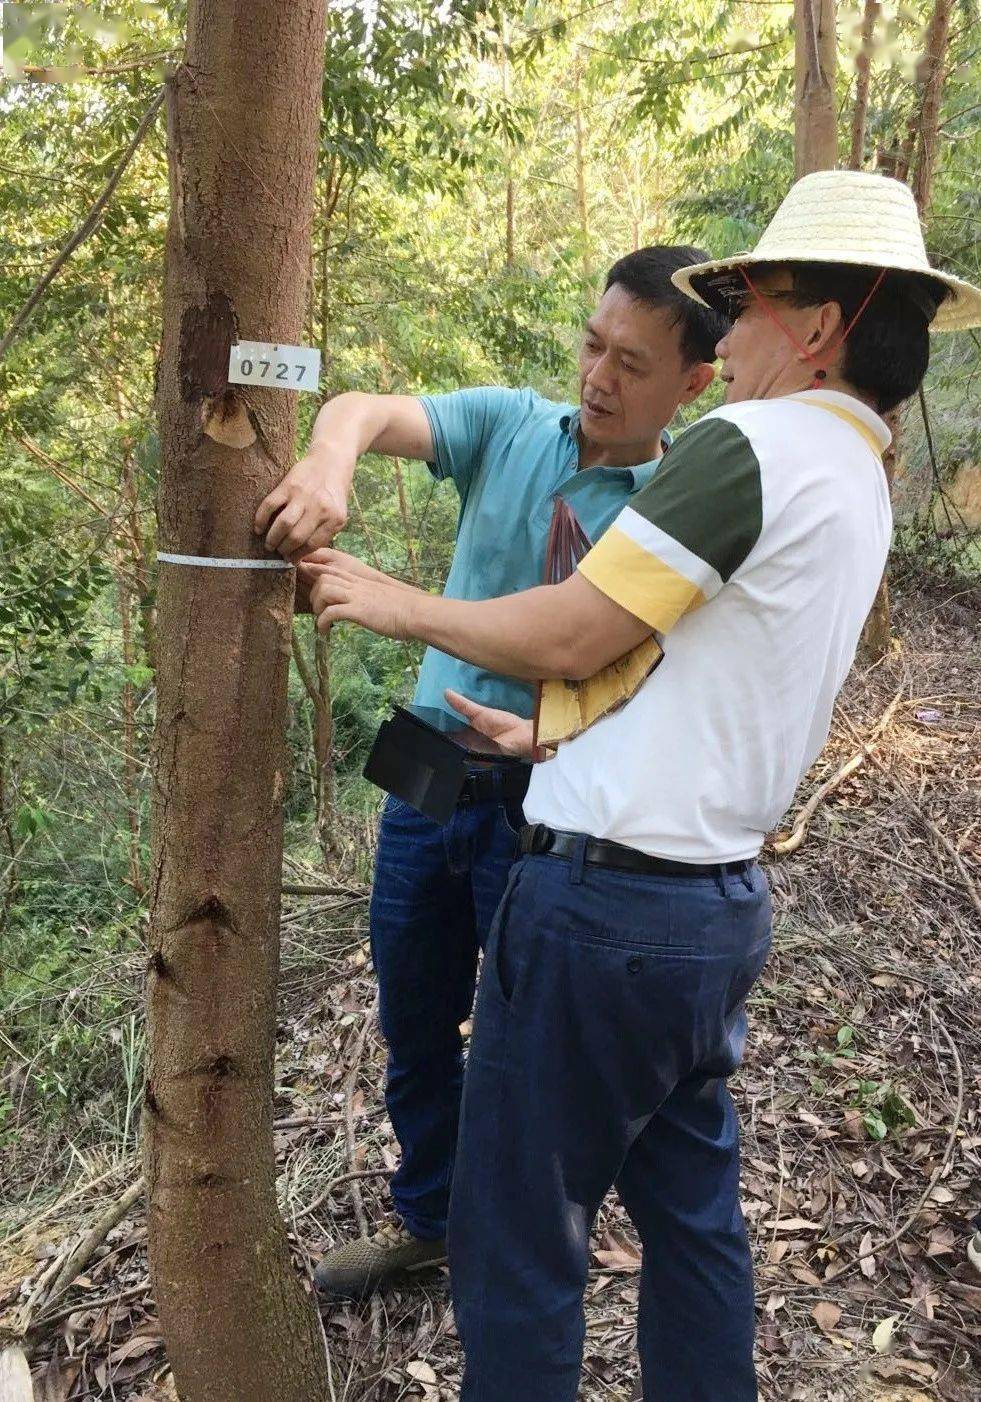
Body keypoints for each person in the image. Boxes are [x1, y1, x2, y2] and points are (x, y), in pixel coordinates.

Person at [300, 170, 981, 1399]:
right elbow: (702, 672)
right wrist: (555, 740)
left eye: (751, 306)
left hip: (603, 920)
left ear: (819, 324)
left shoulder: (752, 443)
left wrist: (387, 598)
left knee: (517, 1242)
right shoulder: (861, 481)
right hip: (712, 913)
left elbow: (575, 631)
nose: (737, 338)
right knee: (693, 1222)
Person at [255, 246, 726, 1298]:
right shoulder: (514, 426)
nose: (599, 376)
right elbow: (370, 409)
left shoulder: (685, 506)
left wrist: (396, 599)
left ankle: (523, 1249)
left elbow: (604, 660)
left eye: (633, 363)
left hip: (553, 802)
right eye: (593, 344)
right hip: (428, 778)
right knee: (415, 1017)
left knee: (527, 1043)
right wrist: (330, 461)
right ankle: (429, 1218)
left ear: (695, 382)